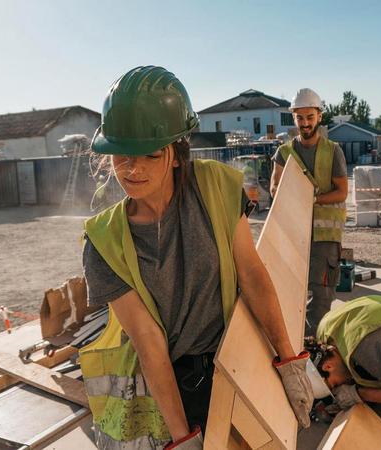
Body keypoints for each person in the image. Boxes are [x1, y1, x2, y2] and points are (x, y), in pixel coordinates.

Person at [79, 66, 313, 450]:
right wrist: (182, 437)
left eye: (149, 155)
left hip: (241, 354)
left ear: (175, 153)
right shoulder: (104, 242)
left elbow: (251, 273)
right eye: (120, 156)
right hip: (175, 386)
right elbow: (148, 341)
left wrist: (288, 361)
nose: (132, 169)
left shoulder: (216, 187)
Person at [270, 88, 348, 337]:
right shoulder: (284, 153)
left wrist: (310, 200)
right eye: (300, 118)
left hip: (325, 237)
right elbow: (274, 188)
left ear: (319, 116)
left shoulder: (332, 150)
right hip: (293, 232)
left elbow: (342, 191)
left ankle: (313, 347)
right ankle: (293, 343)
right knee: (289, 291)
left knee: (321, 297)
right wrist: (291, 199)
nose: (305, 123)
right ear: (294, 118)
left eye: (309, 117)